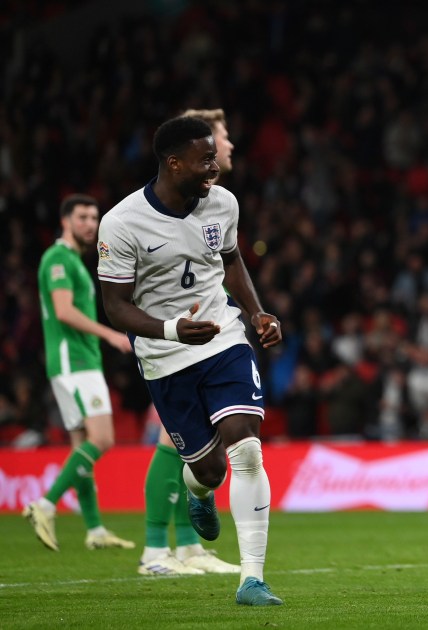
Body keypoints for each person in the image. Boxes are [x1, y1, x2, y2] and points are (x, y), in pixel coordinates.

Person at [97, 116, 283, 605]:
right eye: (204, 160)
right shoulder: (120, 223)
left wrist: (256, 311)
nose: (214, 167)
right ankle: (200, 494)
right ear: (172, 162)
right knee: (210, 470)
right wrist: (170, 328)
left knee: (246, 446)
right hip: (165, 356)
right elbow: (114, 305)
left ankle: (252, 579)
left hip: (223, 338)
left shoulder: (223, 203)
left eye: (214, 157)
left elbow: (231, 259)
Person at [137, 108, 240, 576]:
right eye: (220, 139)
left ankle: (188, 549)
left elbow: (229, 260)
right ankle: (156, 549)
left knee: (195, 457)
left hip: (211, 338)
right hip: (171, 345)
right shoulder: (146, 215)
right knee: (175, 447)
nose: (226, 149)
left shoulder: (219, 206)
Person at [23, 194, 136, 552]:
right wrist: (111, 335)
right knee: (102, 439)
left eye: (94, 217)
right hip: (75, 363)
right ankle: (44, 505)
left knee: (81, 448)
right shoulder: (58, 259)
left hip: (75, 363)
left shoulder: (71, 260)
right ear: (65, 221)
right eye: (83, 217)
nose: (90, 223)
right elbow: (63, 311)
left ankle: (95, 530)